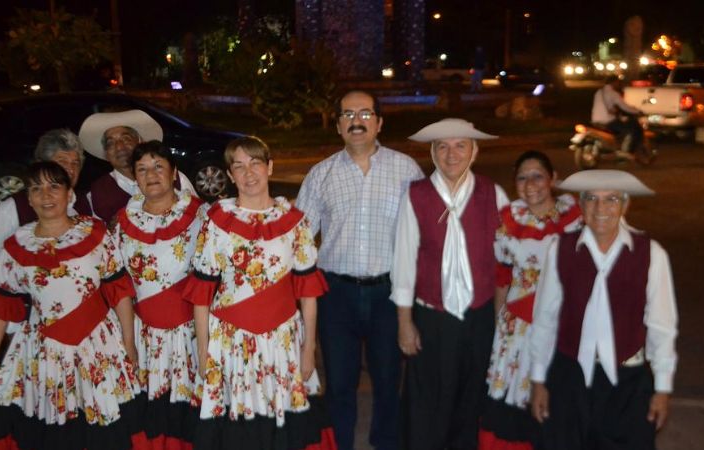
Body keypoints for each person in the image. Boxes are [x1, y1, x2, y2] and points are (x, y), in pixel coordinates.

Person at [0, 161, 145, 450]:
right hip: (44, 352)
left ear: (69, 195)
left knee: (101, 416)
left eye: (54, 186)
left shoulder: (96, 233)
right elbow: (3, 307)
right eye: (36, 188)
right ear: (28, 198)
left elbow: (119, 293)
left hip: (97, 348)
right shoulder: (16, 246)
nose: (46, 195)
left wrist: (129, 344)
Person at [183, 136, 336, 450]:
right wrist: (203, 351)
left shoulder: (296, 222)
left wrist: (308, 350)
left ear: (270, 167)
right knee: (238, 423)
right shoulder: (215, 222)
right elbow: (202, 294)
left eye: (255, 163)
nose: (248, 172)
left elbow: (308, 293)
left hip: (281, 341)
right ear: (230, 175)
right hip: (231, 341)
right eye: (238, 166)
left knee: (282, 418)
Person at [295, 90, 424, 450]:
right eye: (348, 114)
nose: (357, 121)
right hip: (336, 294)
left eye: (366, 114)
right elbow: (300, 239)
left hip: (389, 293)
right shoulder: (322, 174)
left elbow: (422, 235)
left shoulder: (407, 171)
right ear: (337, 125)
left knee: (388, 380)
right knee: (339, 383)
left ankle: (386, 442)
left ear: (379, 123)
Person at [528, 170, 678, 450]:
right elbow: (545, 318)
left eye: (611, 199)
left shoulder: (650, 253)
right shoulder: (560, 249)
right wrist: (538, 380)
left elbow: (661, 324)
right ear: (581, 205)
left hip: (628, 382)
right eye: (591, 199)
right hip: (569, 378)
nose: (601, 208)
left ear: (625, 204)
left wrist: (662, 388)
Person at [391, 118, 509, 450]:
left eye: (460, 146)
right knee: (428, 404)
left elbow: (507, 260)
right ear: (432, 152)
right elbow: (403, 263)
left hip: (479, 316)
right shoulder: (416, 196)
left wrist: (502, 319)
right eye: (442, 147)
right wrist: (404, 322)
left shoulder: (492, 194)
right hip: (432, 318)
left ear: (474, 152)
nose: (451, 154)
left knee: (471, 399)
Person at [478, 151, 582, 450]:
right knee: (512, 396)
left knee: (555, 393)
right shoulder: (508, 220)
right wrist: (500, 329)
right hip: (517, 327)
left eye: (537, 175)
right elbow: (502, 277)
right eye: (522, 177)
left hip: (561, 325)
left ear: (553, 178)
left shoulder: (576, 219)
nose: (530, 183)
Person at [113, 141, 206, 449]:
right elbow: (118, 284)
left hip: (191, 332)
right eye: (142, 169)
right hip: (145, 333)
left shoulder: (201, 216)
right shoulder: (122, 224)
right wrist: (127, 341)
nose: (150, 175)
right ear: (134, 178)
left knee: (191, 404)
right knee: (150, 407)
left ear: (174, 172)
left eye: (158, 167)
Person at [0, 129, 93, 331]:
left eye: (75, 163)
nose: (70, 169)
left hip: (79, 323)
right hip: (29, 325)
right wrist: (11, 330)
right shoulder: (13, 210)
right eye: (62, 162)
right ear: (42, 165)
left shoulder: (84, 206)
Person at [78, 109, 196, 222]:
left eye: (126, 139)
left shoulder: (174, 178)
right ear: (106, 154)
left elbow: (200, 221)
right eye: (111, 143)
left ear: (140, 142)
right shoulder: (96, 195)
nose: (119, 147)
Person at [591, 75, 644, 155]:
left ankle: (618, 147)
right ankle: (627, 151)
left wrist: (614, 111)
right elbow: (624, 106)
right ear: (614, 82)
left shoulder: (599, 92)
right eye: (618, 82)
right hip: (608, 121)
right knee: (633, 129)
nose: (619, 84)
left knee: (620, 127)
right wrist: (637, 111)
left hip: (595, 119)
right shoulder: (613, 93)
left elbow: (603, 106)